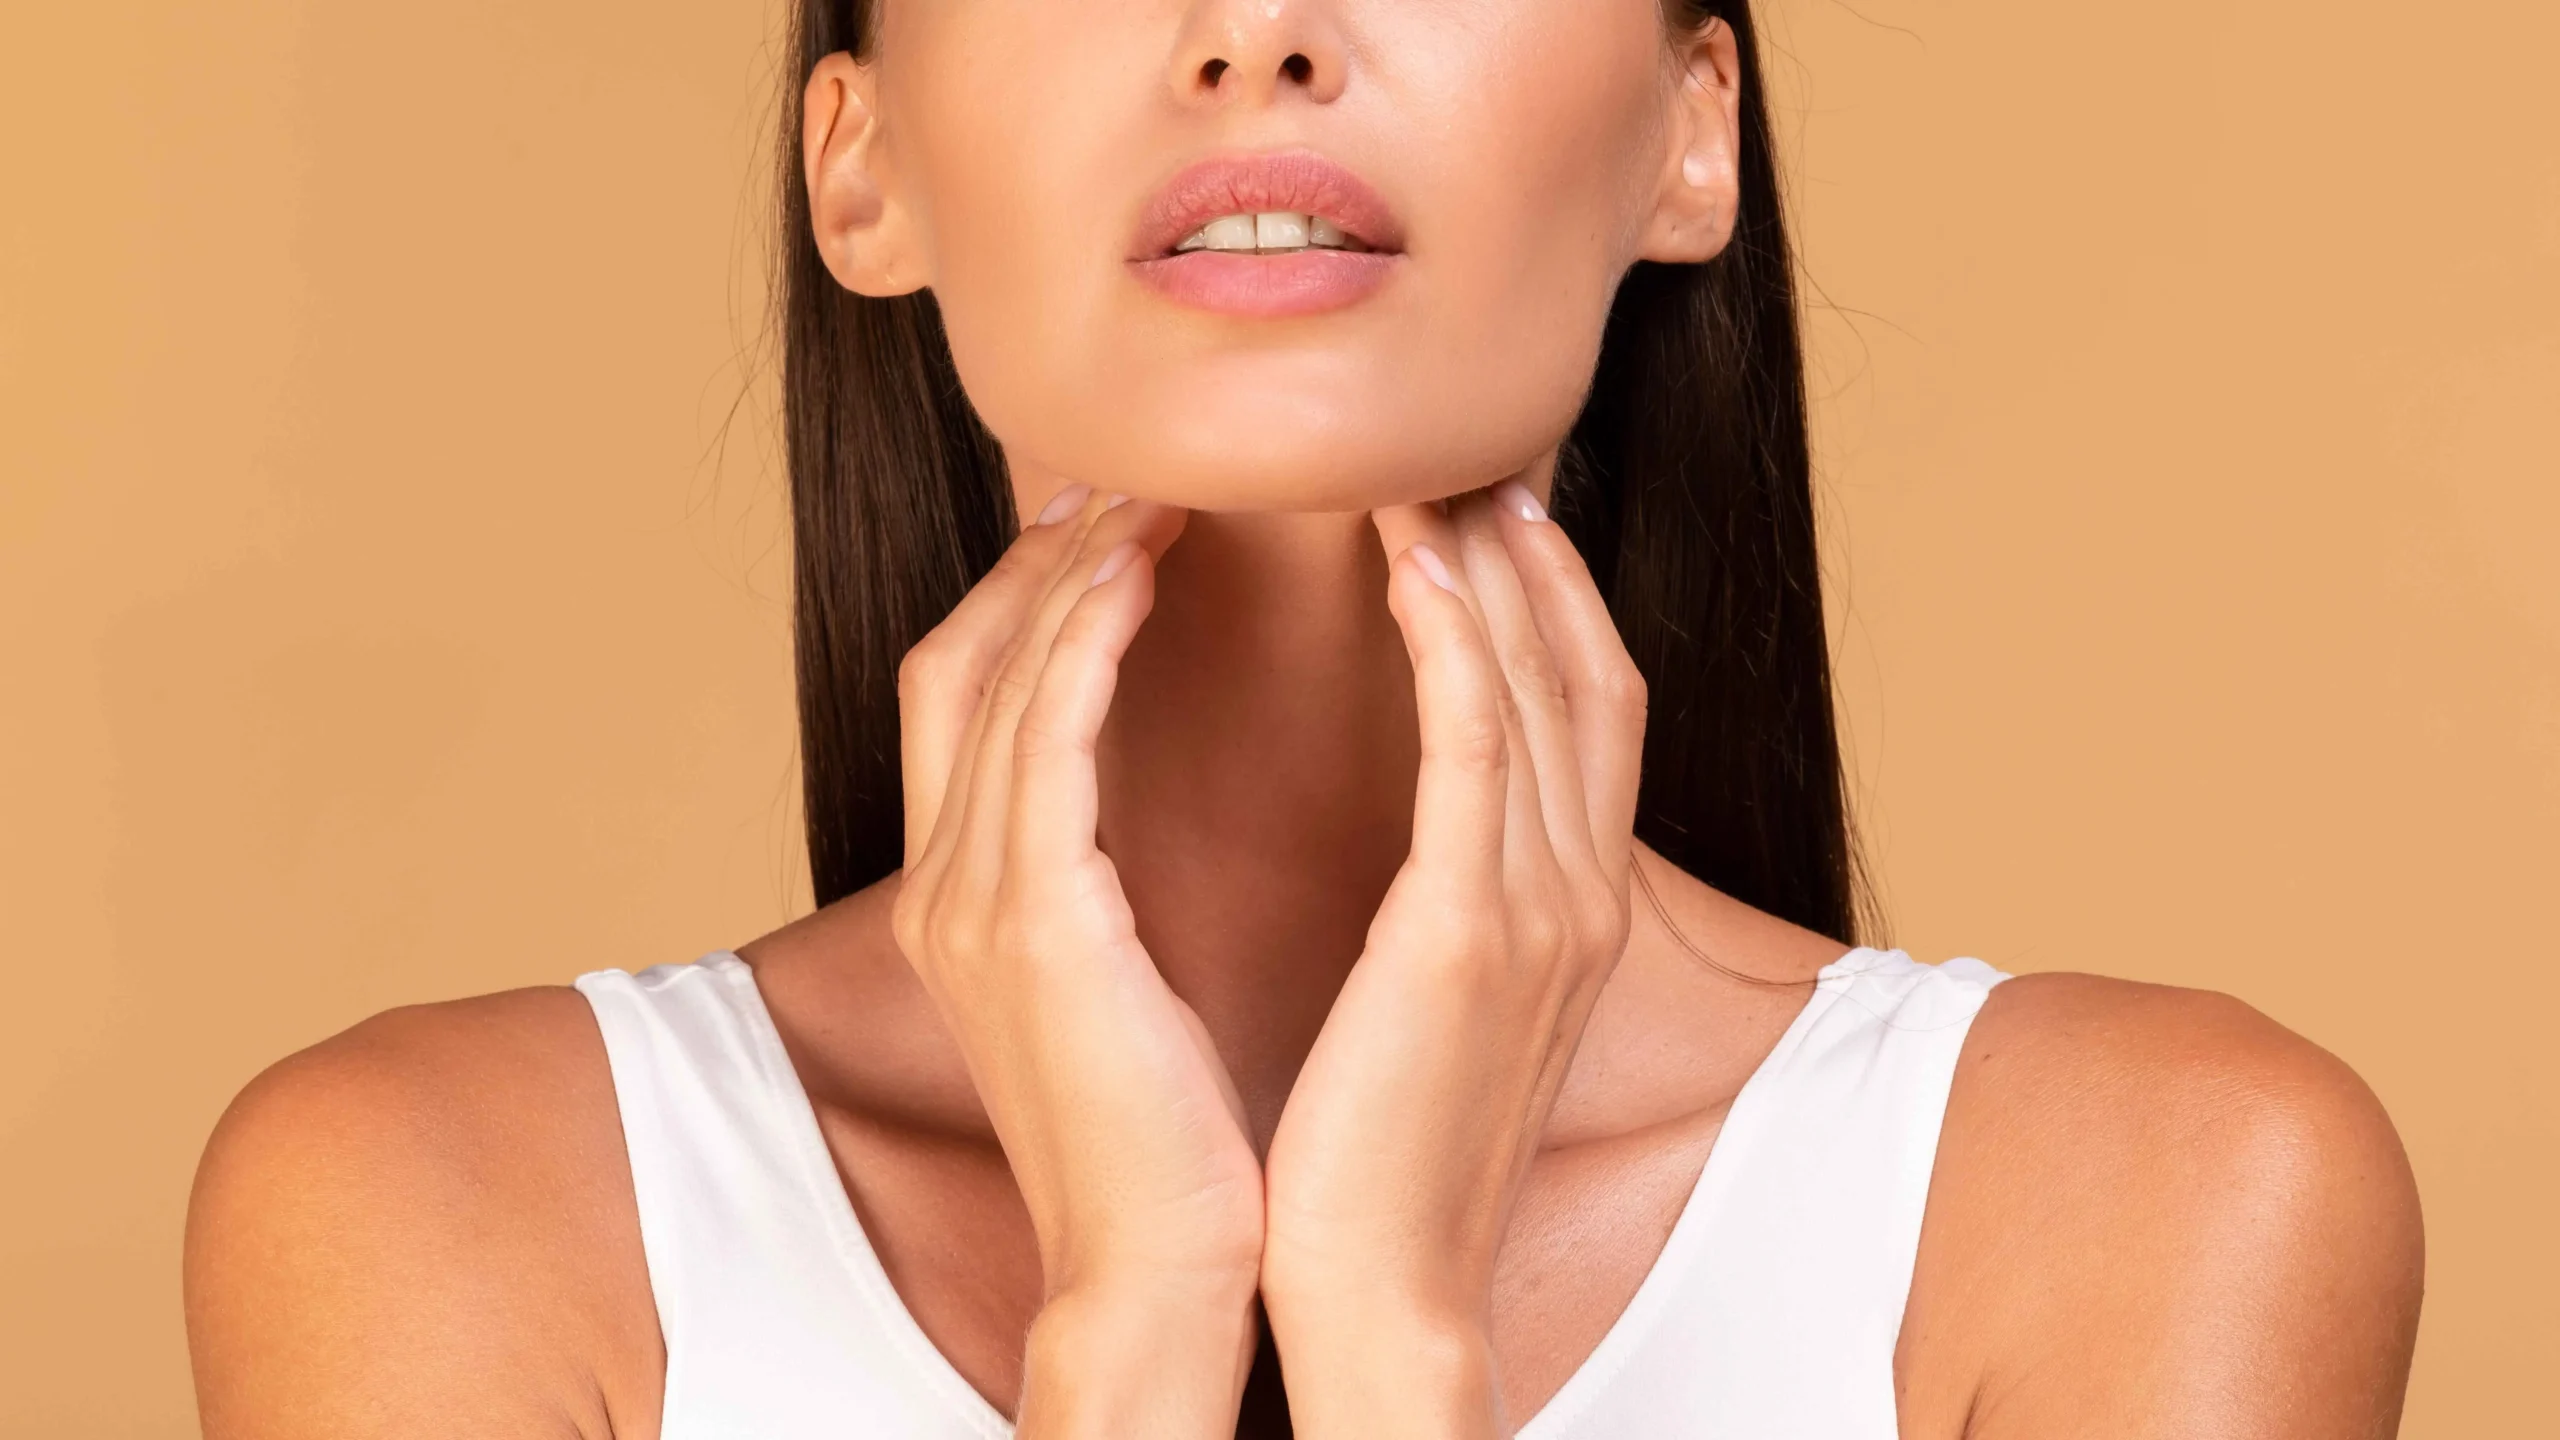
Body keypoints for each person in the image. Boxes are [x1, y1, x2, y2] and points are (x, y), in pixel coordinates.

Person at [180, 1, 2425, 1435]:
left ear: (1690, 128)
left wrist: (1385, 1328)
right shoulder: (440, 1215)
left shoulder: (2149, 1203)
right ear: (854, 166)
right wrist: (1142, 1326)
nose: (1254, 32)